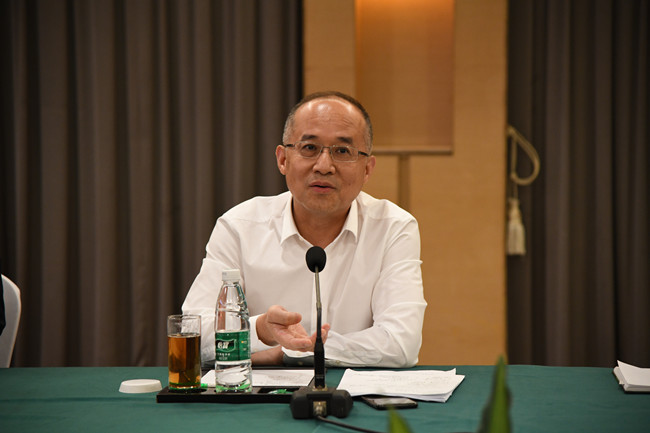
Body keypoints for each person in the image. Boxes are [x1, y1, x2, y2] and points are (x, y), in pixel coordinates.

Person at [182, 91, 426, 368]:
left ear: (367, 169)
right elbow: (193, 334)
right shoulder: (239, 227)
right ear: (283, 159)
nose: (324, 166)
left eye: (342, 151)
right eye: (309, 148)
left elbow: (401, 344)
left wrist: (290, 352)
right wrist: (260, 330)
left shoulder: (393, 228)